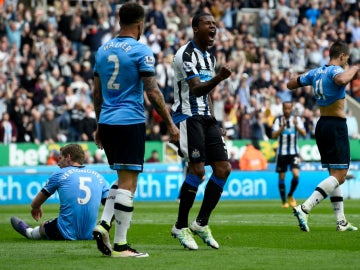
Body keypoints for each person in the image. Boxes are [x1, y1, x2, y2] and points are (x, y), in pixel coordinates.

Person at [92, 2, 179, 258]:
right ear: (140, 24)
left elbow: (97, 92)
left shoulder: (102, 50)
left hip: (107, 122)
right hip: (129, 121)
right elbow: (152, 90)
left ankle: (104, 223)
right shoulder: (141, 51)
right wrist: (170, 123)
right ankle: (120, 245)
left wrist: (98, 126)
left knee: (121, 180)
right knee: (129, 186)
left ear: (120, 20)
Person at [170, 12, 232, 250]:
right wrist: (219, 78)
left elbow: (208, 94)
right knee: (197, 170)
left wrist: (216, 121)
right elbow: (196, 89)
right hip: (188, 116)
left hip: (206, 118)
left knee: (223, 168)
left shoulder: (209, 56)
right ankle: (180, 226)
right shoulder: (184, 55)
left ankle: (201, 222)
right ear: (196, 28)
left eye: (215, 25)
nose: (214, 28)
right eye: (209, 24)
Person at [287, 40, 359, 232]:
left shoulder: (315, 72)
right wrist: (354, 69)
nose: (346, 63)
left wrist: (303, 79)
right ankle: (305, 208)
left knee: (333, 174)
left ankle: (341, 221)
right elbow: (342, 79)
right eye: (347, 60)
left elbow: (291, 83)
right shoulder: (336, 71)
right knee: (340, 176)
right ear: (342, 56)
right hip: (336, 125)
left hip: (322, 125)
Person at [10, 143, 109, 240]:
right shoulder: (99, 176)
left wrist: (36, 207)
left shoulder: (60, 174)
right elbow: (110, 205)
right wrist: (105, 225)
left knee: (44, 226)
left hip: (63, 232)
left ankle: (30, 232)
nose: (58, 163)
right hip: (91, 235)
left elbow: (35, 203)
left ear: (68, 157)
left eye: (60, 158)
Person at [272, 101, 306, 208]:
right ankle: (284, 202)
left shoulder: (297, 120)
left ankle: (290, 195)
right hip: (282, 153)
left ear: (291, 109)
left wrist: (297, 126)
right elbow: (273, 135)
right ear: (282, 109)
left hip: (294, 152)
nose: (287, 110)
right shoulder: (278, 120)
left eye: (289, 108)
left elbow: (304, 133)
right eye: (285, 108)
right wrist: (282, 128)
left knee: (296, 174)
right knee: (282, 176)